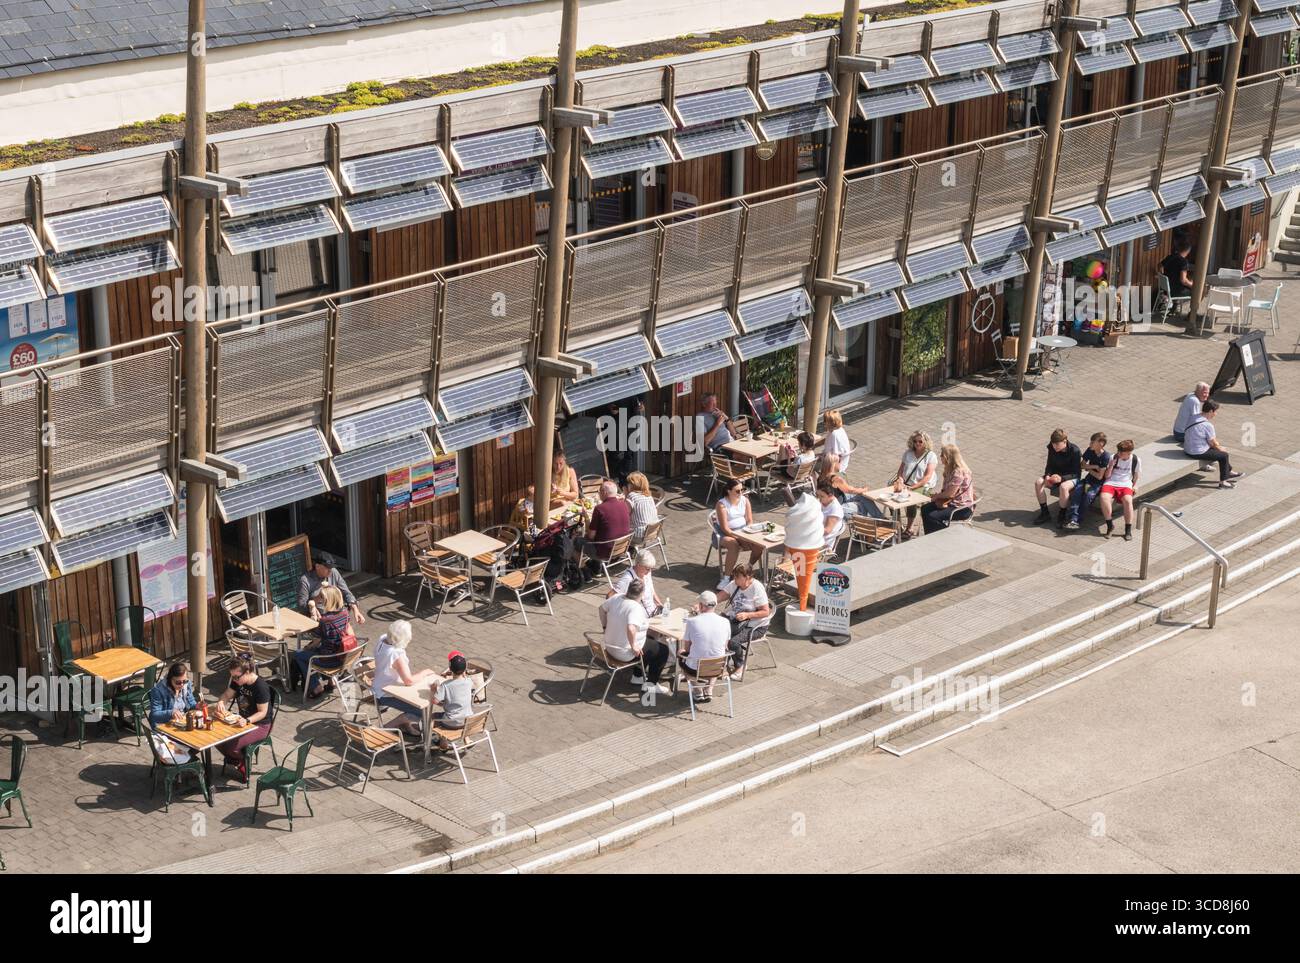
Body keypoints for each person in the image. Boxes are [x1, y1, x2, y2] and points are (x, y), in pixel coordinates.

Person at [598, 579, 670, 697]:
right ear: (642, 594)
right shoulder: (635, 608)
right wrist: (634, 646)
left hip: (609, 647)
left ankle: (638, 676)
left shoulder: (617, 598)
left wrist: (605, 626)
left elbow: (601, 609)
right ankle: (651, 685)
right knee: (663, 650)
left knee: (649, 640)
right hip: (624, 653)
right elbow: (631, 628)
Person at [371, 620, 438, 737]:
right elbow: (409, 681)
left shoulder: (382, 639)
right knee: (421, 711)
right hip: (385, 693)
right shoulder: (395, 654)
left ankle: (406, 725)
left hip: (379, 687)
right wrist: (425, 672)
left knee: (416, 703)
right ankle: (387, 727)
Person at [215, 653, 273, 781]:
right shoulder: (238, 681)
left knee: (231, 747)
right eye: (232, 676)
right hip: (241, 722)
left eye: (236, 677)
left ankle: (241, 763)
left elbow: (262, 712)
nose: (234, 680)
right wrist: (221, 702)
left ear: (247, 672)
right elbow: (226, 695)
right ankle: (237, 760)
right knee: (215, 740)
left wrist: (247, 720)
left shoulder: (260, 687)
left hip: (260, 725)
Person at [293, 585, 356, 699]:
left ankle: (316, 687)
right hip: (343, 657)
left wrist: (307, 648)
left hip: (329, 661)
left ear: (328, 599)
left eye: (322, 597)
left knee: (298, 654)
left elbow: (317, 639)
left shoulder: (325, 620)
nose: (321, 599)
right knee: (325, 647)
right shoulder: (345, 613)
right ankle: (331, 682)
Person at [716, 563, 771, 680]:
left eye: (737, 577)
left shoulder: (757, 588)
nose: (734, 579)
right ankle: (720, 664)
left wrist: (748, 615)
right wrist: (707, 603)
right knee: (716, 633)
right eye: (734, 576)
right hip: (735, 621)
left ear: (747, 577)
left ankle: (740, 665)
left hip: (756, 626)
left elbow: (766, 612)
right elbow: (721, 596)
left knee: (732, 642)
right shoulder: (734, 584)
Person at [678, 591, 731, 701]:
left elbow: (686, 648)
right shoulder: (725, 622)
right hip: (718, 668)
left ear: (701, 605)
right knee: (716, 654)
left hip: (696, 670)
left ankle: (697, 690)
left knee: (681, 654)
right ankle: (709, 689)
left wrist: (681, 651)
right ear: (715, 605)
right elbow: (725, 646)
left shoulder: (692, 622)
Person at [1183, 400, 1244, 489]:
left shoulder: (1194, 417)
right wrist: (1220, 448)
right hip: (1196, 452)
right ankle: (1223, 482)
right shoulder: (1207, 425)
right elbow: (1213, 443)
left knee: (1218, 452)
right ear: (1211, 411)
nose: (1216, 414)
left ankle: (1229, 472)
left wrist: (1217, 447)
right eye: (1215, 411)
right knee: (1223, 456)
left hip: (1188, 449)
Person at [921, 445, 977, 534]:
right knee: (924, 509)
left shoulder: (958, 472)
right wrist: (938, 495)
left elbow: (950, 494)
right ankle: (931, 536)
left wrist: (936, 496)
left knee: (932, 516)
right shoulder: (949, 469)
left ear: (948, 457)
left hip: (962, 508)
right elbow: (947, 492)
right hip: (950, 502)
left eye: (942, 455)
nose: (940, 457)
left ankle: (944, 536)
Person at [892, 430, 938, 536]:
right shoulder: (908, 453)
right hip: (907, 483)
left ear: (925, 442)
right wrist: (900, 480)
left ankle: (909, 528)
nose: (917, 443)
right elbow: (901, 470)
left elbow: (927, 477)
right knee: (891, 496)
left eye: (920, 441)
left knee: (910, 500)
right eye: (915, 441)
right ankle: (897, 523)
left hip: (922, 485)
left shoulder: (931, 456)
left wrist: (913, 487)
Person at [574, 480, 631, 565]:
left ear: (604, 492)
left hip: (604, 552)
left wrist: (586, 517)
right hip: (621, 548)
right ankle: (596, 567)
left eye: (599, 491)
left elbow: (590, 536)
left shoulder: (600, 508)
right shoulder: (624, 504)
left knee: (574, 540)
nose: (599, 493)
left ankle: (584, 570)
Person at [1034, 428, 1082, 528]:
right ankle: (1045, 512)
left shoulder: (1075, 451)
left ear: (1064, 441)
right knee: (1038, 482)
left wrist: (1061, 478)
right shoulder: (1051, 448)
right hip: (1055, 474)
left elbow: (1076, 473)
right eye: (1053, 444)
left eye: (1057, 444)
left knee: (1064, 487)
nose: (1054, 447)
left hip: (1071, 476)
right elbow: (1049, 465)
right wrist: (1047, 475)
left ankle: (1062, 515)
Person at [299, 552, 365, 625]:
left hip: (338, 615)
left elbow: (346, 592)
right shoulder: (305, 581)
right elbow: (302, 608)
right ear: (317, 566)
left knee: (350, 636)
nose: (330, 570)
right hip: (320, 620)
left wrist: (355, 610)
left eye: (331, 567)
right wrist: (318, 598)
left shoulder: (333, 572)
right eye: (327, 568)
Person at [714, 477, 761, 576]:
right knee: (733, 545)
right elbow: (725, 528)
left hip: (742, 531)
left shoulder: (745, 500)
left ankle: (747, 568)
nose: (741, 493)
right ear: (729, 491)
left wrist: (748, 533)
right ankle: (726, 578)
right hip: (724, 534)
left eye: (742, 490)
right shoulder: (721, 504)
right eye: (737, 491)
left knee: (759, 545)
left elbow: (749, 520)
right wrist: (739, 537)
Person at [1065, 432, 1110, 530]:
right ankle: (1073, 518)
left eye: (1093, 442)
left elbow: (1099, 476)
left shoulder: (1106, 456)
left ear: (1101, 443)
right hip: (1088, 479)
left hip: (1097, 483)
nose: (1090, 444)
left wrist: (1088, 469)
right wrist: (1094, 466)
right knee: (1077, 491)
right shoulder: (1090, 450)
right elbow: (1081, 465)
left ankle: (1077, 520)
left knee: (1088, 496)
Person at [1099, 439, 1142, 540]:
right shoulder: (1113, 457)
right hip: (1111, 482)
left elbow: (1136, 476)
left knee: (1128, 500)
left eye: (1121, 452)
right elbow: (1107, 476)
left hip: (1125, 483)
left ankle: (1128, 530)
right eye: (1118, 451)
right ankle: (1110, 526)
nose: (1118, 453)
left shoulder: (1135, 460)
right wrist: (1111, 466)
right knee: (1104, 497)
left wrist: (1135, 485)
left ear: (1129, 453)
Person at [432, 652, 476, 742]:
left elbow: (435, 701)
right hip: (467, 721)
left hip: (451, 723)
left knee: (432, 717)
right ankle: (467, 739)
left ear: (450, 669)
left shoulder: (445, 685)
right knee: (462, 709)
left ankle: (442, 742)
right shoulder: (469, 682)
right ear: (464, 670)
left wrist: (434, 689)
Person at [608, 550, 663, 617]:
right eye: (647, 569)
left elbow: (651, 589)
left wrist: (659, 604)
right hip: (639, 618)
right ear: (638, 565)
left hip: (653, 612)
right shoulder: (627, 579)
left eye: (651, 569)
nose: (649, 572)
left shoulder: (646, 572)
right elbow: (609, 596)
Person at [147, 661, 197, 727]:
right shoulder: (158, 690)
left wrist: (197, 706)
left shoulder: (186, 684)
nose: (182, 685)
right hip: (166, 724)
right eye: (178, 682)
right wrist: (171, 713)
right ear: (170, 679)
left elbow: (191, 702)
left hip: (182, 721)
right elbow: (155, 715)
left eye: (184, 681)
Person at [625, 471, 659, 542]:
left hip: (639, 535)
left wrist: (626, 496)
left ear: (633, 485)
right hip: (652, 531)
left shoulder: (632, 496)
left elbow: (624, 515)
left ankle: (619, 550)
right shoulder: (648, 495)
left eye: (629, 483)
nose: (627, 485)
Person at [815, 481, 846, 550]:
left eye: (822, 496)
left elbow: (827, 531)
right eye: (817, 495)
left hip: (823, 541)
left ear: (831, 495)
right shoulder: (824, 502)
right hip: (817, 533)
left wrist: (809, 530)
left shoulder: (835, 509)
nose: (819, 498)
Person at [820, 409, 852, 475]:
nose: (824, 422)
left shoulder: (834, 434)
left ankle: (818, 482)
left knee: (810, 465)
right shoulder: (839, 429)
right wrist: (815, 444)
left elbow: (833, 454)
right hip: (843, 460)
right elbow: (827, 439)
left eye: (826, 421)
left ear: (832, 423)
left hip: (835, 464)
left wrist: (818, 457)